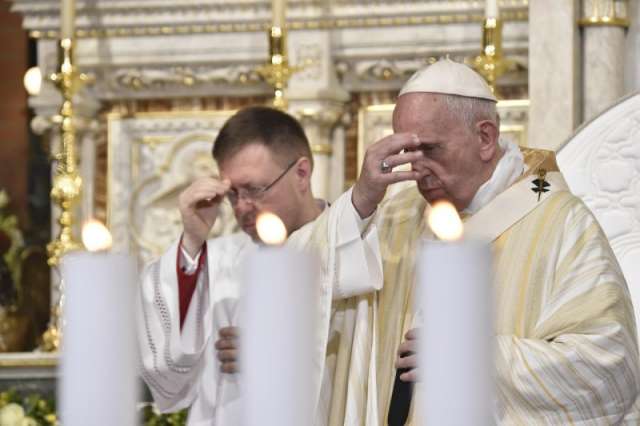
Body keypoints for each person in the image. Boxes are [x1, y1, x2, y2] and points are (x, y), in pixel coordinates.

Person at [332, 59, 640, 424]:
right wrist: (359, 202)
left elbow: (607, 366)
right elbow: (321, 300)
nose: (417, 169)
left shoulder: (560, 223)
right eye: (406, 153)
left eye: (430, 150)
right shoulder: (393, 218)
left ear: (485, 138)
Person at [137, 106, 382, 425]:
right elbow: (169, 372)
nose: (242, 207)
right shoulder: (219, 261)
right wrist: (192, 242)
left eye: (254, 190)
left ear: (302, 173)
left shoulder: (357, 249)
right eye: (232, 194)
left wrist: (276, 349)